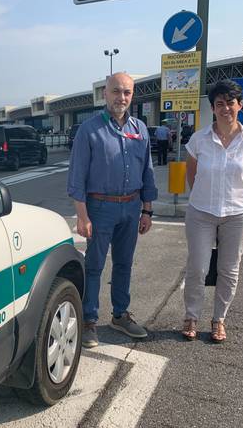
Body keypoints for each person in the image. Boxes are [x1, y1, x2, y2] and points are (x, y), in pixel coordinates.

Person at [67, 72, 158, 348]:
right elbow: (77, 176)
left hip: (131, 208)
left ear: (132, 96)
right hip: (100, 208)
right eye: (116, 91)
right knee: (94, 266)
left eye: (127, 92)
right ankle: (89, 321)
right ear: (105, 94)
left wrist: (147, 210)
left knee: (124, 264)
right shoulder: (89, 130)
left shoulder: (140, 129)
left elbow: (148, 171)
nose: (122, 97)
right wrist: (82, 216)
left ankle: (120, 315)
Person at [182, 79, 243, 343]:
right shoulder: (199, 139)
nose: (225, 108)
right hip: (201, 212)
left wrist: (237, 195)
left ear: (240, 105)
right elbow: (192, 175)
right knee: (198, 267)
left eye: (230, 103)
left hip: (238, 214)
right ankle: (191, 316)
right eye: (220, 104)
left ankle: (219, 320)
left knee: (230, 270)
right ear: (213, 108)